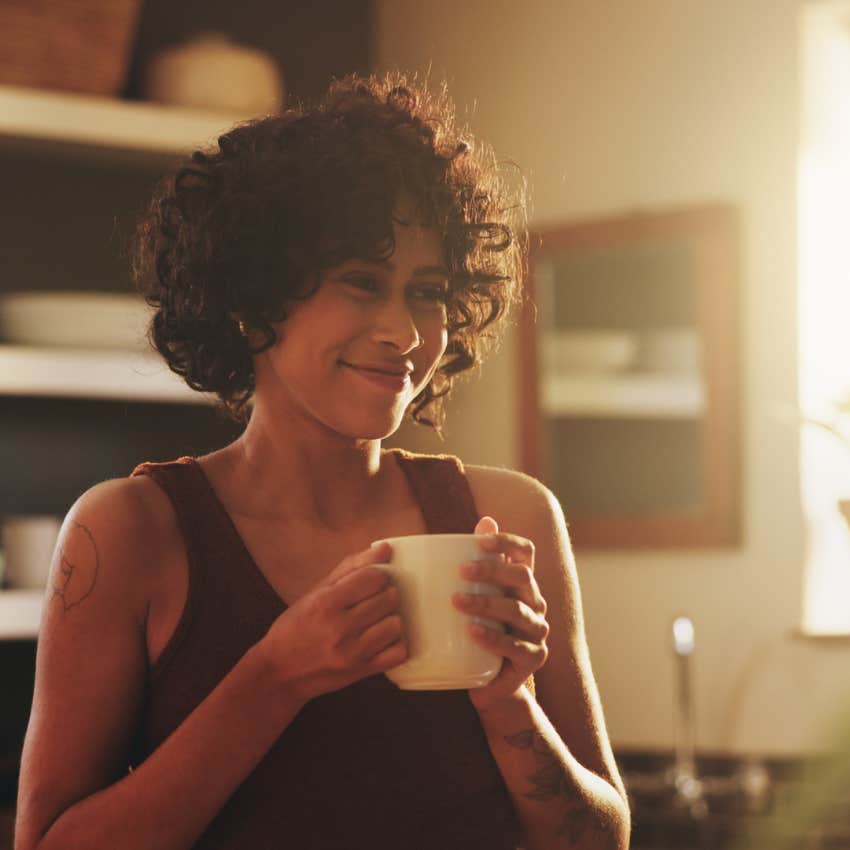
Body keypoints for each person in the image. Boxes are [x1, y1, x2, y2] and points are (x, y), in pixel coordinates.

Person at [14, 73, 629, 850]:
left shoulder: (512, 515)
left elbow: (602, 840)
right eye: (362, 283)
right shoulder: (129, 533)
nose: (404, 332)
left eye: (427, 291)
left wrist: (512, 704)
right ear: (252, 297)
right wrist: (277, 675)